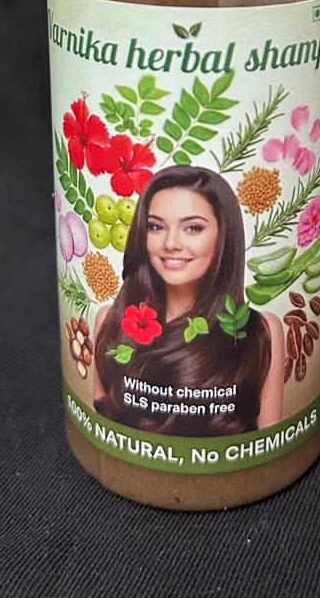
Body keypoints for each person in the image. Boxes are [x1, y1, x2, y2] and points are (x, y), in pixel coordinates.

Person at [93, 164, 284, 435]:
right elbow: (100, 430)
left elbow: (270, 444)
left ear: (223, 236)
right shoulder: (110, 321)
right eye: (156, 226)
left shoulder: (260, 332)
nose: (171, 243)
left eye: (193, 228)